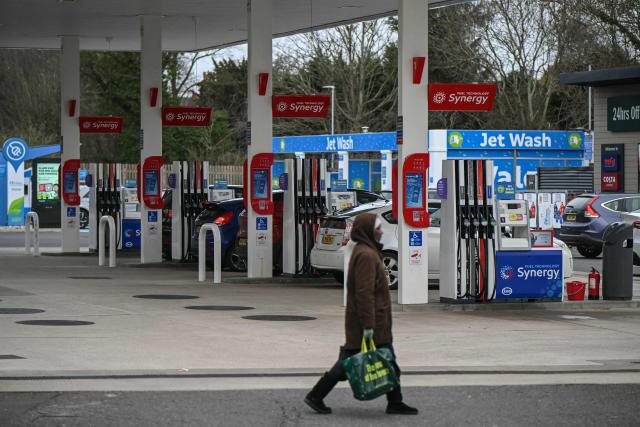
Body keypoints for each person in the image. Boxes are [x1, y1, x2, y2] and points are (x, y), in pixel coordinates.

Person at [304, 212, 418, 415]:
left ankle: (395, 401)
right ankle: (316, 395)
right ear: (368, 231)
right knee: (350, 363)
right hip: (368, 322)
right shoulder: (366, 255)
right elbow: (364, 293)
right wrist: (368, 325)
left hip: (371, 320)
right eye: (378, 228)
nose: (381, 231)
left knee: (385, 359)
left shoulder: (366, 251)